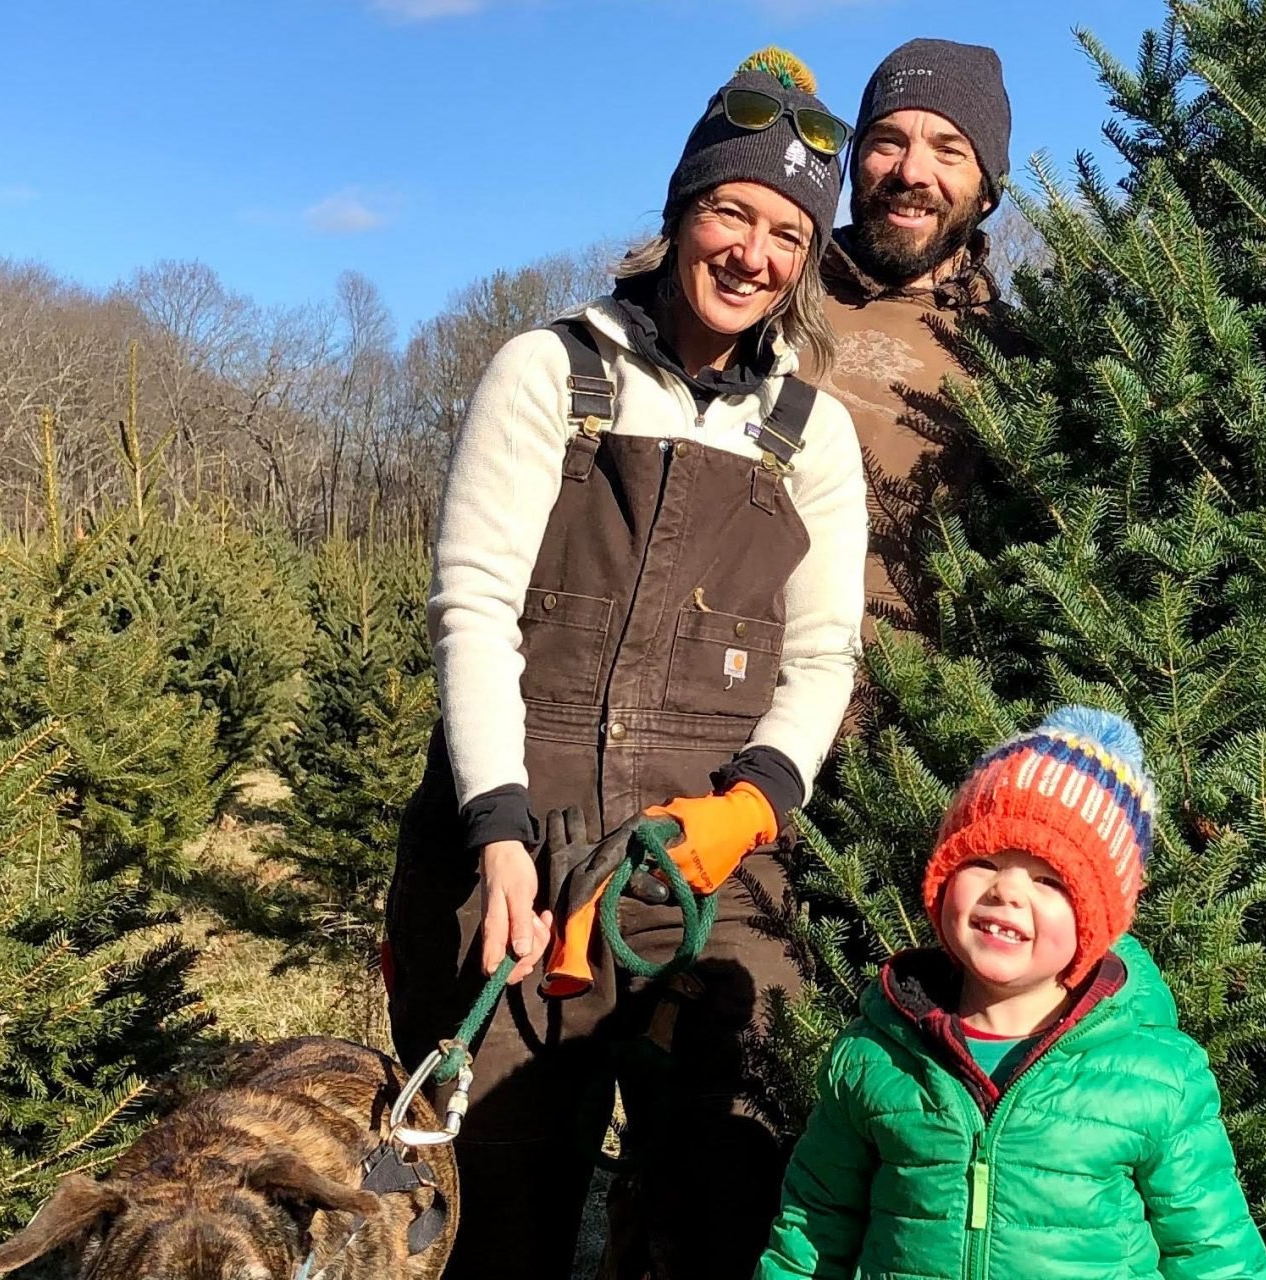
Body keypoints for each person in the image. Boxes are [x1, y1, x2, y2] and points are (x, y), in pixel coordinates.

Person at [384, 48, 867, 1280]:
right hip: (513, 864)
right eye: (731, 211)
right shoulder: (549, 372)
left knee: (727, 1207)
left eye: (786, 232)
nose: (752, 252)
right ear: (679, 212)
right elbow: (474, 603)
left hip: (703, 879)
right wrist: (495, 830)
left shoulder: (811, 436)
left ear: (807, 259)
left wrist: (752, 805)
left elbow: (823, 653)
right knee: (493, 1215)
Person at [753, 707, 1266, 1280]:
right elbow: (814, 1224)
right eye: (984, 861)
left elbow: (1214, 1255)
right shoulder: (877, 1056)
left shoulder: (1156, 1077)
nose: (1007, 891)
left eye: (1049, 880)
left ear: (1097, 920)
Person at [821, 38, 1013, 636]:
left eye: (948, 150)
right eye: (887, 141)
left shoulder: (1017, 359)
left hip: (918, 719)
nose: (911, 172)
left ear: (987, 190)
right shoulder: (769, 301)